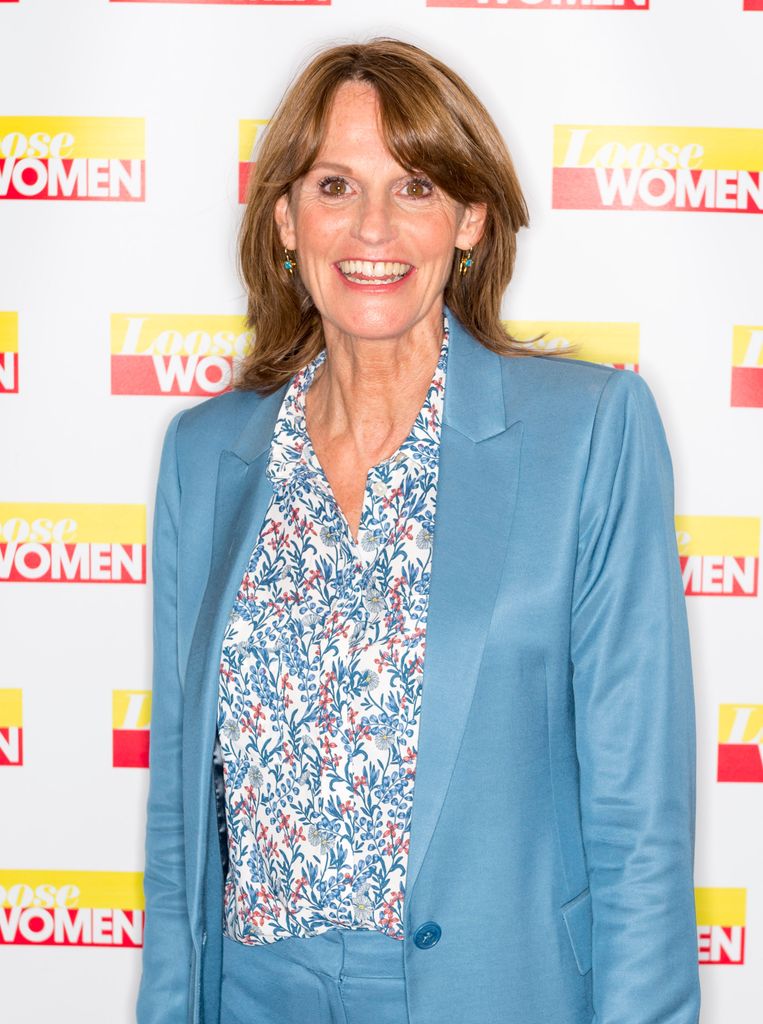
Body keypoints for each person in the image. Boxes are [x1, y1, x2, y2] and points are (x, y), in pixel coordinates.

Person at [136, 37, 700, 1024]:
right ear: (284, 215)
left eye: (416, 187)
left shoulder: (588, 432)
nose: (372, 227)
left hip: (494, 990)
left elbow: (637, 826)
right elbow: (182, 817)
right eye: (335, 185)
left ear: (470, 217)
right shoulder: (204, 454)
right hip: (255, 993)